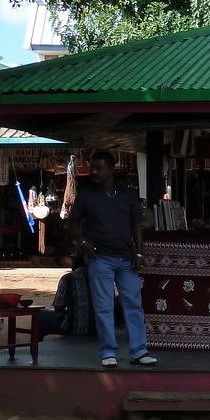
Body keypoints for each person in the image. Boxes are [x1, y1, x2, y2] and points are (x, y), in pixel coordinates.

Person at [68, 150, 157, 367]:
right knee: (104, 306)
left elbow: (137, 224)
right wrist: (82, 242)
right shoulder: (86, 195)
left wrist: (139, 253)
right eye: (92, 168)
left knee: (134, 305)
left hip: (127, 258)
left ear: (111, 170)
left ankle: (139, 351)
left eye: (99, 168)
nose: (94, 172)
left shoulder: (128, 195)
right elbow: (72, 223)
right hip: (100, 258)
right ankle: (108, 352)